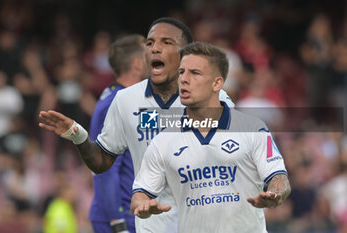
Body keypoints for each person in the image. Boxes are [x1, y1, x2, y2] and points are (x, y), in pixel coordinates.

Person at [39, 17, 234, 233]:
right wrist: (78, 135)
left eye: (166, 42)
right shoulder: (124, 101)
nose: (155, 49)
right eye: (150, 43)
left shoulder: (215, 99)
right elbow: (103, 163)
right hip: (146, 222)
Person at [131, 42, 291, 233]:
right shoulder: (162, 141)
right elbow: (140, 194)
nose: (183, 79)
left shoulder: (253, 128)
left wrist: (275, 194)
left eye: (195, 73)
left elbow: (279, 177)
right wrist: (142, 206)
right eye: (181, 72)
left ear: (217, 83)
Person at [89, 34, 147, 233]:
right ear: (138, 64)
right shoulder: (117, 103)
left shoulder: (123, 97)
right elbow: (106, 166)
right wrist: (117, 221)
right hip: (121, 216)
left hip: (131, 212)